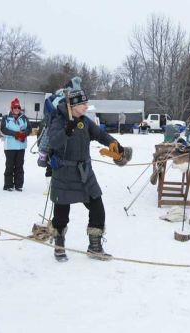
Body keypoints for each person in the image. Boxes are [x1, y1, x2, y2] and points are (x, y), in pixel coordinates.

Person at [48, 78, 131, 262]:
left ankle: (94, 247)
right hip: (64, 173)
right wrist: (66, 131)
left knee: (97, 207)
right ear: (74, 105)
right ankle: (59, 245)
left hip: (85, 172)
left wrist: (113, 143)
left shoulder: (85, 122)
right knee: (61, 214)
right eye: (83, 103)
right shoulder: (58, 120)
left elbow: (100, 134)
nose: (86, 106)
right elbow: (53, 142)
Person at [0, 98, 32, 191]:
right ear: (11, 108)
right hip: (10, 146)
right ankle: (8, 185)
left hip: (21, 146)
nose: (17, 109)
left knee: (19, 165)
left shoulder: (24, 118)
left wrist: (23, 134)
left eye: (18, 107)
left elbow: (29, 128)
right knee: (10, 165)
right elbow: (3, 130)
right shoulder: (6, 118)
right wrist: (16, 134)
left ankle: (18, 184)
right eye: (15, 107)